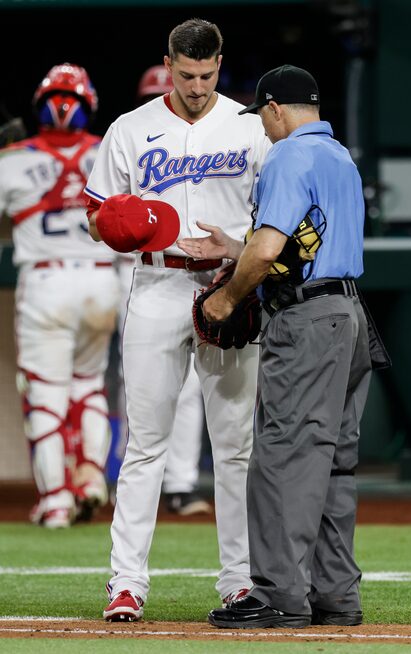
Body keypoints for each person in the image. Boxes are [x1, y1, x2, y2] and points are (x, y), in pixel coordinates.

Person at [85, 18, 270, 621]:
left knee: (235, 445)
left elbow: (276, 211)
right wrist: (119, 225)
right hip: (159, 284)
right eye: (186, 74)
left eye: (207, 74)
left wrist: (239, 250)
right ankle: (127, 583)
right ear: (168, 65)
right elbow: (97, 214)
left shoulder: (249, 126)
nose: (196, 85)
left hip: (230, 286)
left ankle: (239, 583)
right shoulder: (130, 128)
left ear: (221, 64)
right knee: (145, 446)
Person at [179, 64, 372, 629]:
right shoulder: (339, 157)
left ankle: (280, 595)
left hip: (306, 318)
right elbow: (302, 240)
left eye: (261, 115)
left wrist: (227, 297)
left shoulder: (287, 155)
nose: (262, 127)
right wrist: (232, 248)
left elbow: (268, 254)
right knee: (333, 460)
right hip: (349, 314)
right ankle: (335, 595)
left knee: (282, 456)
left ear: (275, 108)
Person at [0, 63, 120, 528]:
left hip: (46, 282)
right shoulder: (110, 151)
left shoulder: (13, 158)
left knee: (45, 393)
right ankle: (90, 479)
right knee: (88, 384)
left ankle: (55, 500)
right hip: (101, 278)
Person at [114, 64, 211, 517]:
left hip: (206, 274)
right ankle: (128, 475)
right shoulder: (130, 134)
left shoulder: (221, 133)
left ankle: (182, 482)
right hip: (139, 273)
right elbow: (98, 219)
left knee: (191, 390)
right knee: (138, 388)